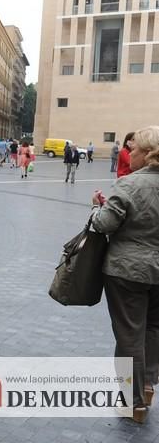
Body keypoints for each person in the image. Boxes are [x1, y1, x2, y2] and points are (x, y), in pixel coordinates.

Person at [90, 125, 159, 423]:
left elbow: (104, 225)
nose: (128, 155)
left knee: (129, 333)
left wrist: (98, 209)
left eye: (134, 150)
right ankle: (146, 388)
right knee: (154, 328)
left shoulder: (129, 185)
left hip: (127, 270)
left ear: (147, 155)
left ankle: (132, 403)